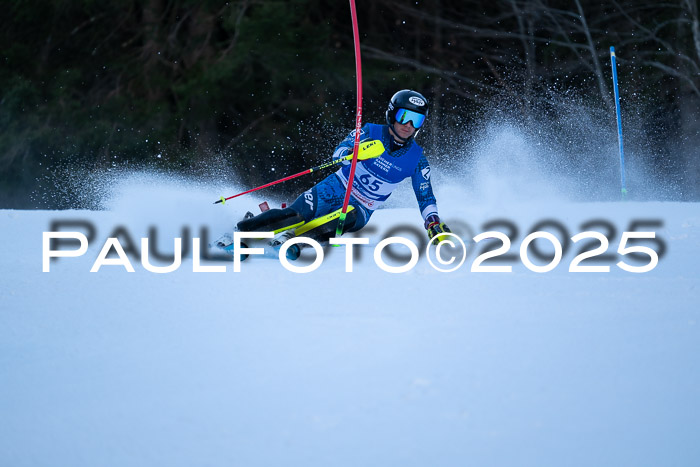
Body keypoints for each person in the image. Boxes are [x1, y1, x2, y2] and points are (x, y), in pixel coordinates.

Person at [233, 89, 451, 252]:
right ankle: (242, 231)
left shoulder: (417, 159)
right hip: (334, 188)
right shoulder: (370, 131)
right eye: (404, 116)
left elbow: (425, 196)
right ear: (392, 114)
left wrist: (432, 222)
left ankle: (294, 242)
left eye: (417, 120)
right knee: (296, 215)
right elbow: (339, 152)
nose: (409, 125)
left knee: (343, 220)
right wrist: (350, 155)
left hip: (362, 207)